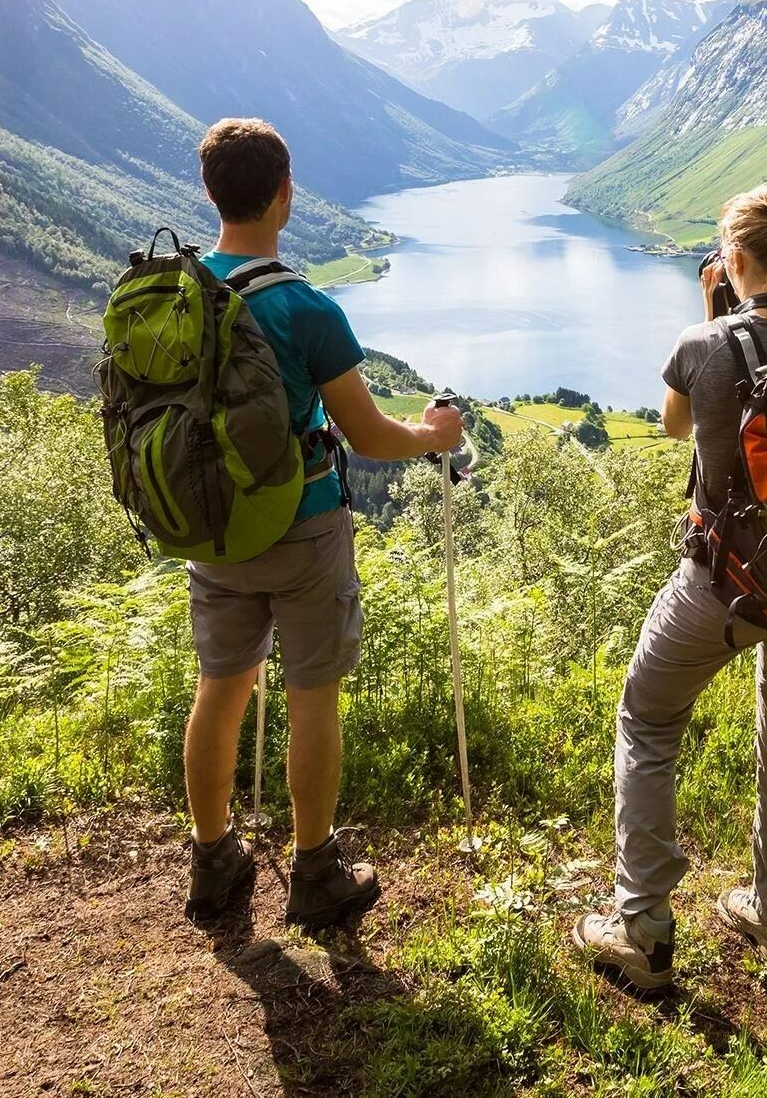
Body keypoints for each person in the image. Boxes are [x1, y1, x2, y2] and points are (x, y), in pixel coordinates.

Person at [182, 117, 464, 928]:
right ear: (284, 195)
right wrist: (435, 435)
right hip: (302, 526)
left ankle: (213, 860)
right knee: (313, 698)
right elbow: (370, 436)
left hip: (211, 527)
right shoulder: (306, 307)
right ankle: (314, 874)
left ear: (211, 192)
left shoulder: (179, 292)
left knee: (220, 689)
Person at [573, 186, 767, 991]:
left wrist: (712, 312)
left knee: (647, 717)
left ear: (738, 262)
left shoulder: (703, 341)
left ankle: (642, 929)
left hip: (723, 582)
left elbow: (674, 424)